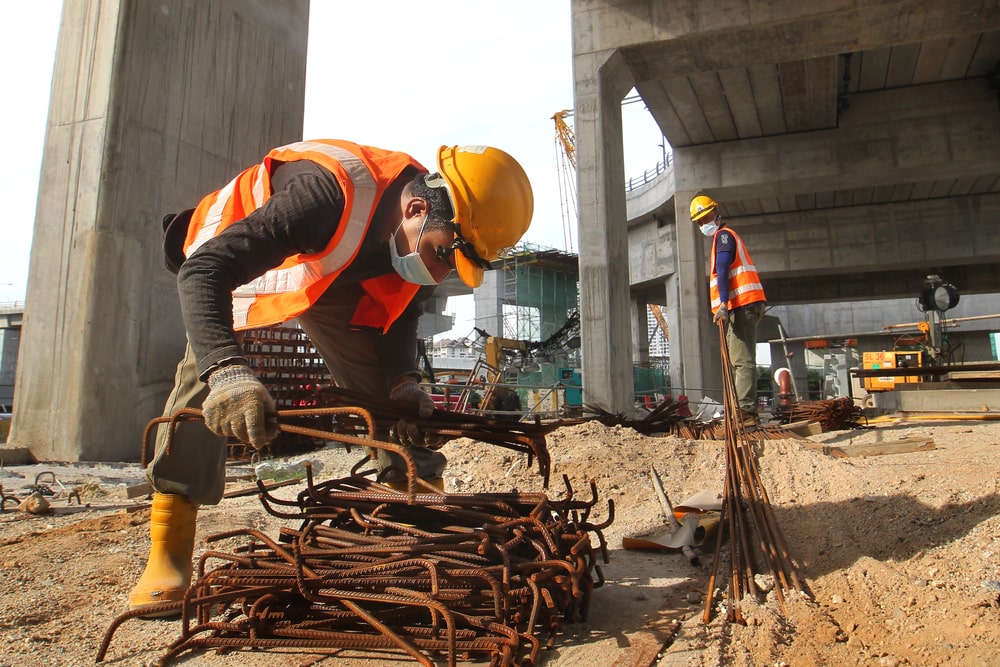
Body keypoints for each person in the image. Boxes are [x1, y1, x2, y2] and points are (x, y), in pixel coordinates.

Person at [129, 140, 533, 614]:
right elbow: (203, 272)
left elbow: (400, 309)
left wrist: (404, 381)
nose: (442, 270)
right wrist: (227, 371)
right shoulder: (326, 195)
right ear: (417, 208)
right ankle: (168, 551)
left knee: (388, 403)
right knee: (205, 382)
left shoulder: (416, 228)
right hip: (239, 257)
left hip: (331, 268)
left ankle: (422, 519)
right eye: (445, 255)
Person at [690, 194, 766, 427]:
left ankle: (746, 412)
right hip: (741, 305)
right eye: (700, 222)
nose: (704, 224)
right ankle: (740, 410)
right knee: (737, 360)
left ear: (717, 213)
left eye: (707, 218)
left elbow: (722, 270)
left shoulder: (724, 236)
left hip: (741, 304)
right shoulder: (720, 239)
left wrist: (723, 304)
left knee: (741, 360)